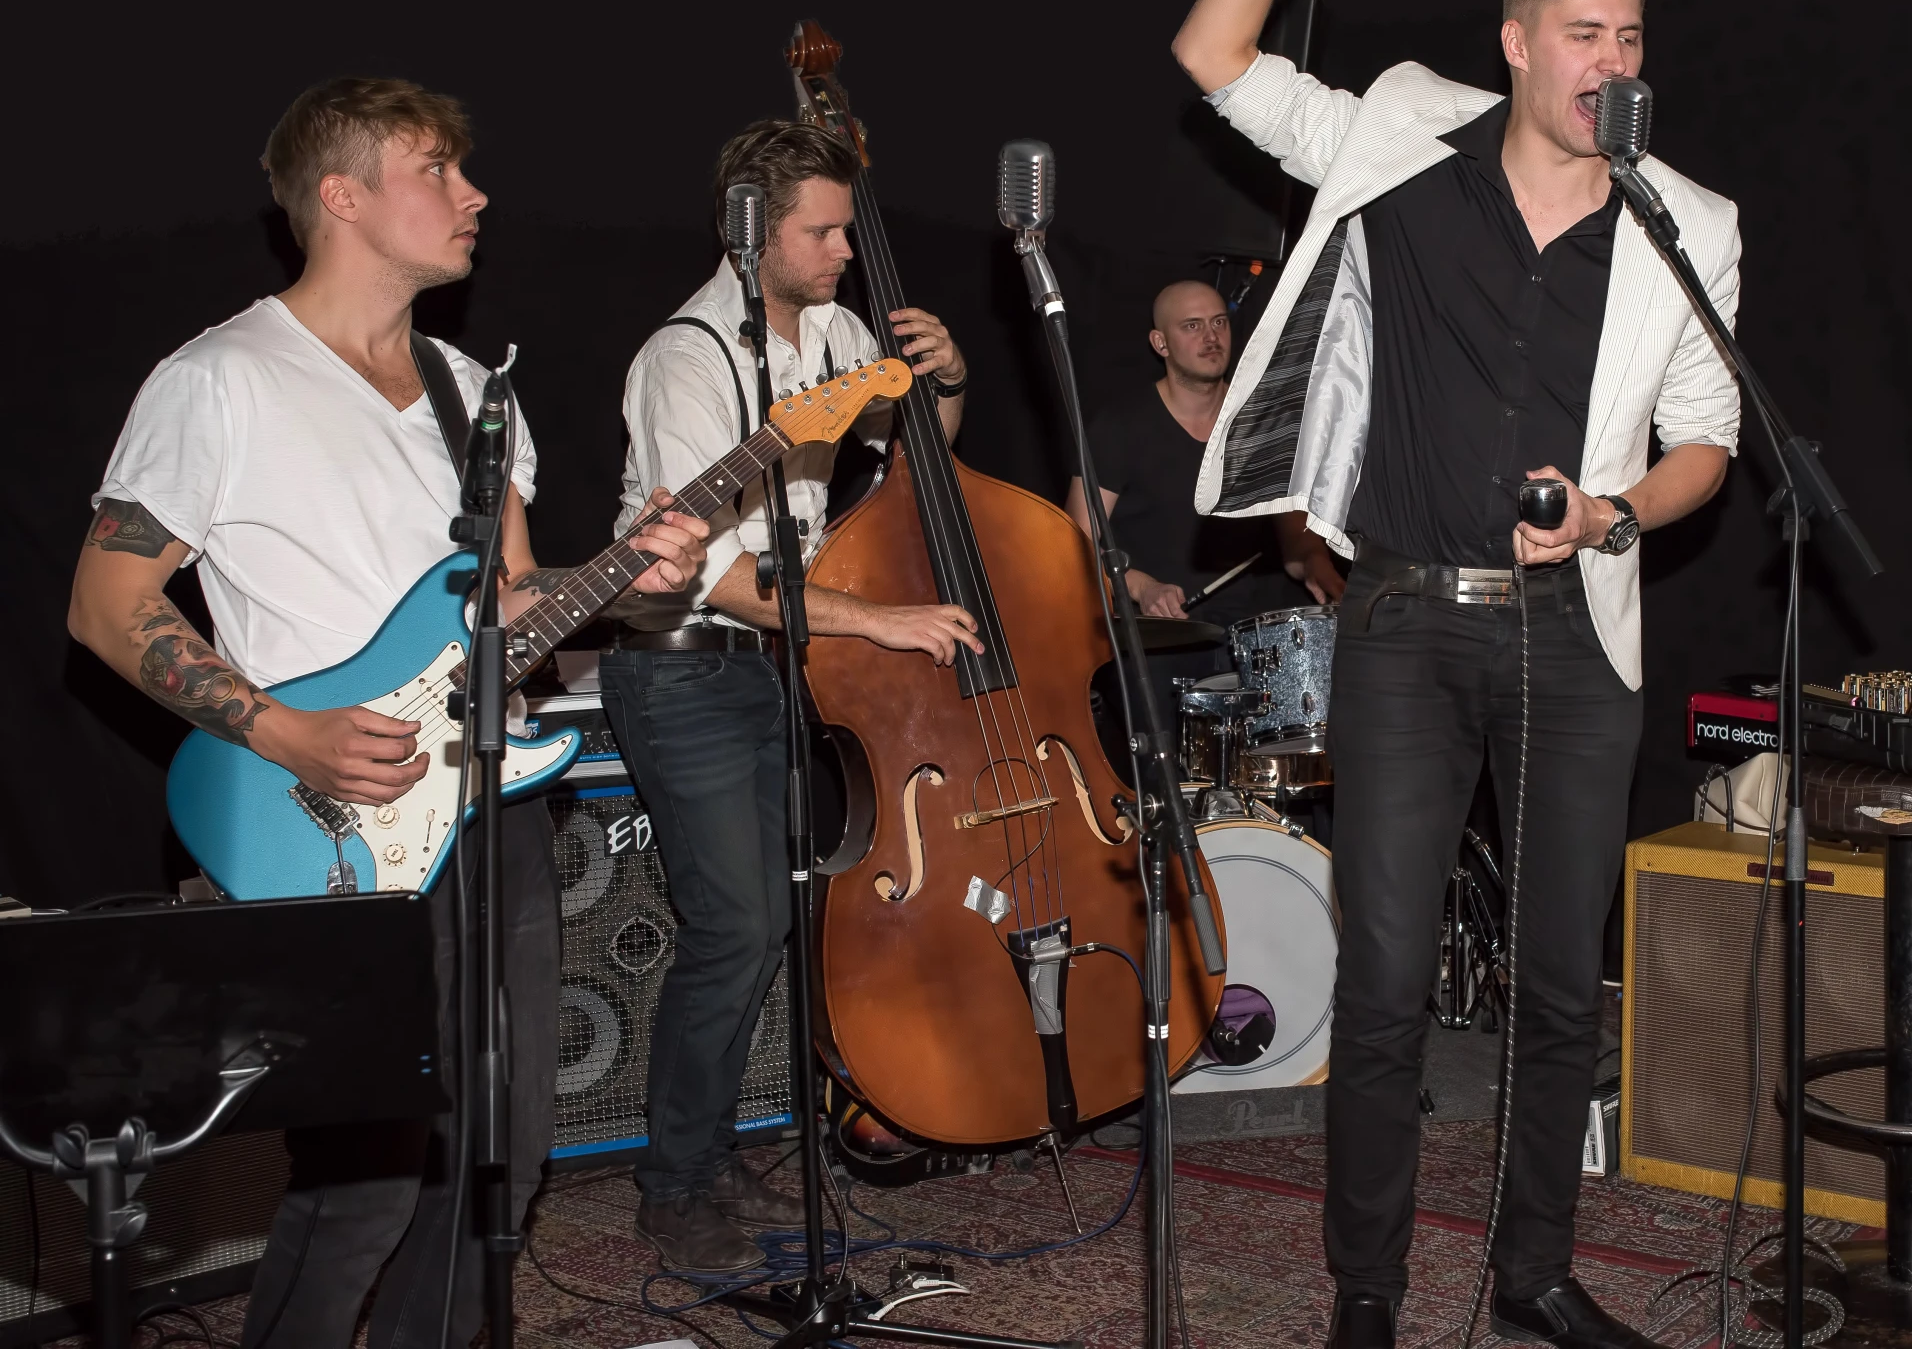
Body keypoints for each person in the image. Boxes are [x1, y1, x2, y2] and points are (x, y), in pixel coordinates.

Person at [1173, 0, 1743, 1349]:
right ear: (1515, 42)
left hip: (1573, 629)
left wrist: (1615, 514)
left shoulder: (1683, 220)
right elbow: (1211, 56)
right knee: (1383, 989)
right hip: (1406, 621)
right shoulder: (1397, 136)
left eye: (1628, 32)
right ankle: (1366, 1294)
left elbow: (1710, 438)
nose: (1610, 57)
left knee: (1562, 990)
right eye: (1581, 31)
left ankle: (1533, 1274)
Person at [66, 78, 709, 1347]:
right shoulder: (221, 379)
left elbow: (512, 601)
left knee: (500, 1163)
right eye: (439, 170)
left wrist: (634, 577)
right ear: (342, 196)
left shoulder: (476, 387)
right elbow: (105, 602)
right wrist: (278, 727)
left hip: (487, 803)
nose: (475, 196)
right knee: (368, 1176)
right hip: (329, 814)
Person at [603, 118, 984, 1271]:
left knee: (802, 908)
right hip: (686, 667)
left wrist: (948, 378)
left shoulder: (830, 328)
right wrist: (880, 618)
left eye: (845, 229)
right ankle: (675, 1182)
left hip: (780, 660)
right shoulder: (687, 357)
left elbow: (918, 444)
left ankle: (750, 1133)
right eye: (821, 232)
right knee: (738, 924)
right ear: (751, 228)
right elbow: (711, 566)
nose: (843, 252)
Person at [1064, 278, 1338, 623]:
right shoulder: (1119, 427)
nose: (1211, 338)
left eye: (1219, 322)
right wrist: (1141, 587)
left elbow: (1294, 542)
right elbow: (1074, 546)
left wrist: (1315, 561)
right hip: (1164, 638)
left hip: (1256, 639)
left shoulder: (1261, 421)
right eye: (1192, 326)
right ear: (1160, 343)